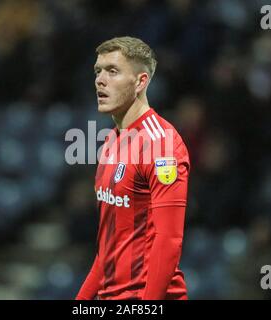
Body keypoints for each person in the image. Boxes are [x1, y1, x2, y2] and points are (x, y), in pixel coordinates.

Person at [76, 36, 190, 300]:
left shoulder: (162, 144)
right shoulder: (109, 142)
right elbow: (108, 248)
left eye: (112, 71)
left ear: (141, 82)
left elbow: (169, 240)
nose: (100, 80)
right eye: (98, 71)